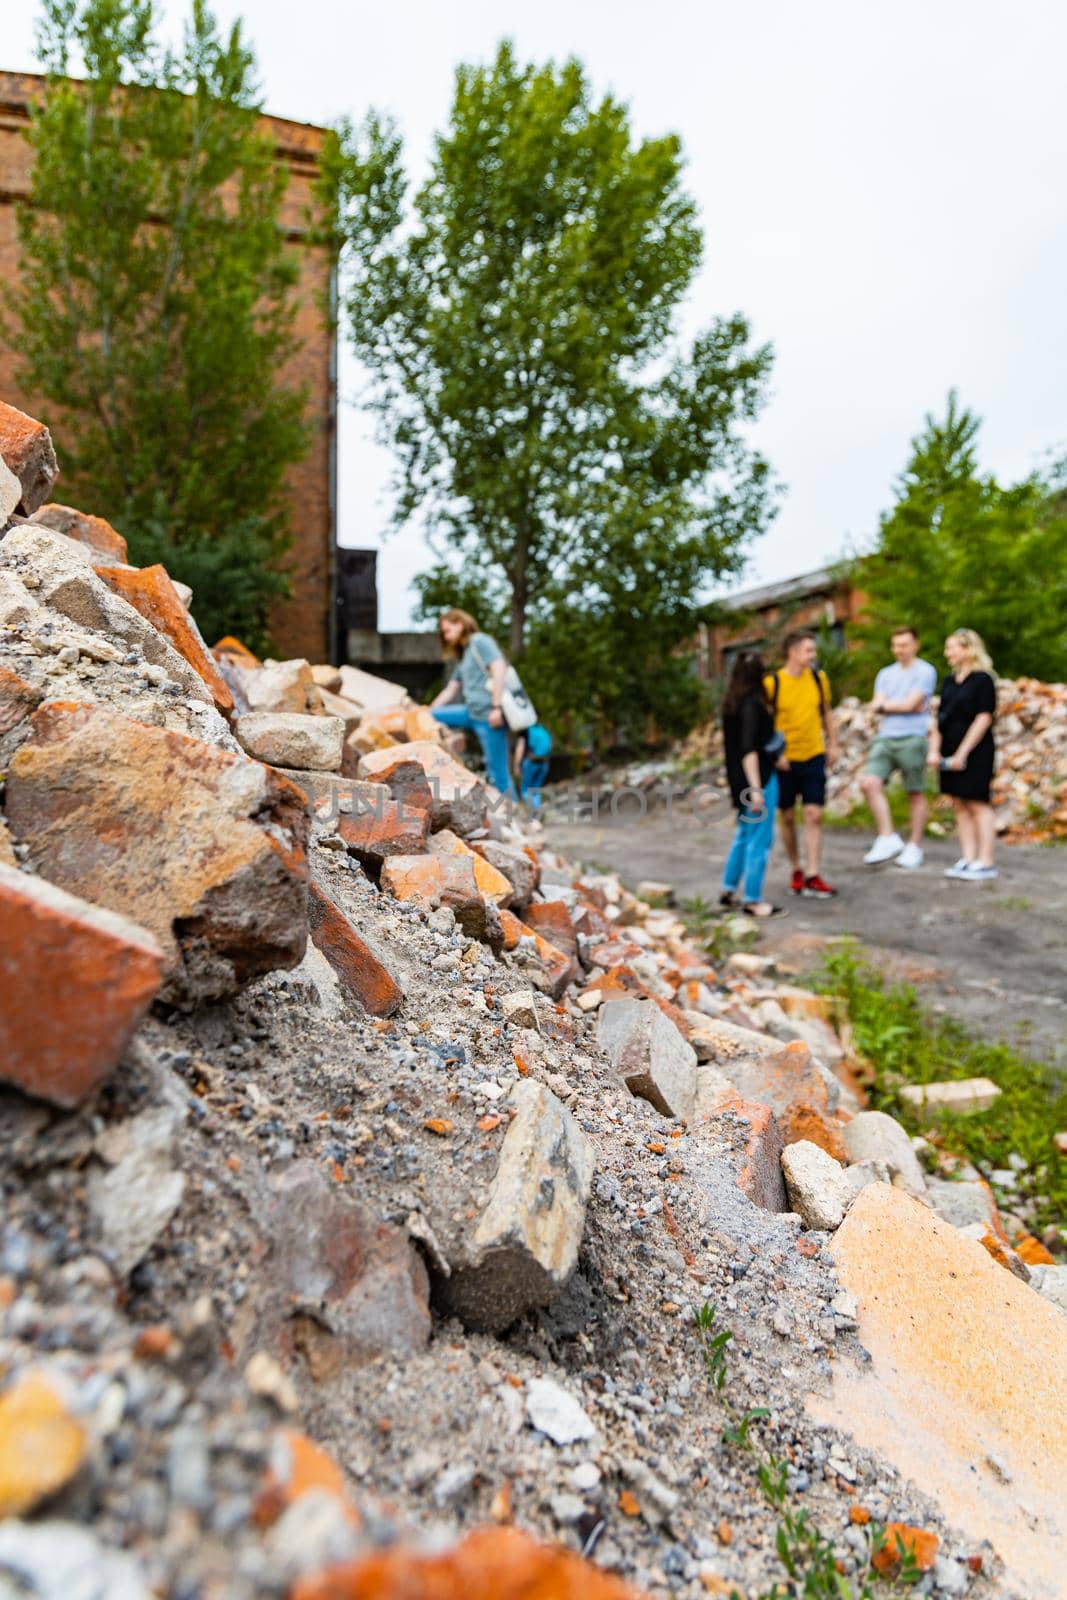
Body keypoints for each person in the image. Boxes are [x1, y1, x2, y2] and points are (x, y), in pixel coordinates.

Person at [765, 630, 839, 898]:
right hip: (785, 761)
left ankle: (813, 873)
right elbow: (766, 723)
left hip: (813, 754)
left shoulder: (819, 680)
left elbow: (826, 712)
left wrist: (833, 743)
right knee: (786, 816)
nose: (813, 655)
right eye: (808, 650)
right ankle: (796, 867)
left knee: (814, 814)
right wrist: (776, 755)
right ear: (793, 652)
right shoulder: (774, 683)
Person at [861, 626, 938, 870]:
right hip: (886, 737)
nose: (899, 650)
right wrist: (894, 706)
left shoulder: (925, 671)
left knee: (915, 792)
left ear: (915, 644)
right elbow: (879, 705)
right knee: (869, 783)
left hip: (913, 737)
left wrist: (887, 706)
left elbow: (913, 704)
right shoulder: (885, 674)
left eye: (904, 645)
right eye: (895, 645)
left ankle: (914, 845)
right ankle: (887, 836)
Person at [927, 628, 998, 881]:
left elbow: (983, 717)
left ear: (968, 649)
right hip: (949, 748)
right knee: (959, 802)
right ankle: (968, 857)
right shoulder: (948, 682)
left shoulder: (983, 680)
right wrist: (935, 749)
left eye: (952, 647)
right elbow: (939, 718)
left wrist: (962, 752)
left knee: (977, 802)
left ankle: (986, 860)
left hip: (976, 751)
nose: (948, 653)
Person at [720, 651, 786, 918]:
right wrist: (757, 789)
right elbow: (750, 750)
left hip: (738, 781)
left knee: (744, 835)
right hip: (758, 780)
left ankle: (728, 888)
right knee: (760, 838)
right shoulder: (752, 706)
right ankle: (753, 899)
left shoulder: (731, 705)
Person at [431, 609, 515, 797]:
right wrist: (425, 710)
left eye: (447, 630)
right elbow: (451, 689)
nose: (445, 636)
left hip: (488, 716)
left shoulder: (480, 642)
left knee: (498, 772)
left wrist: (497, 708)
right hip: (470, 712)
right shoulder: (464, 655)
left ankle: (517, 817)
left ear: (460, 624)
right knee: (432, 715)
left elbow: (499, 669)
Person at [513, 721, 553, 810]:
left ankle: (535, 810)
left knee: (525, 790)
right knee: (535, 790)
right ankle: (537, 811)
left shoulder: (525, 730)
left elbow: (520, 748)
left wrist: (516, 765)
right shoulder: (542, 729)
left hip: (531, 762)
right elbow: (550, 746)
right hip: (544, 763)